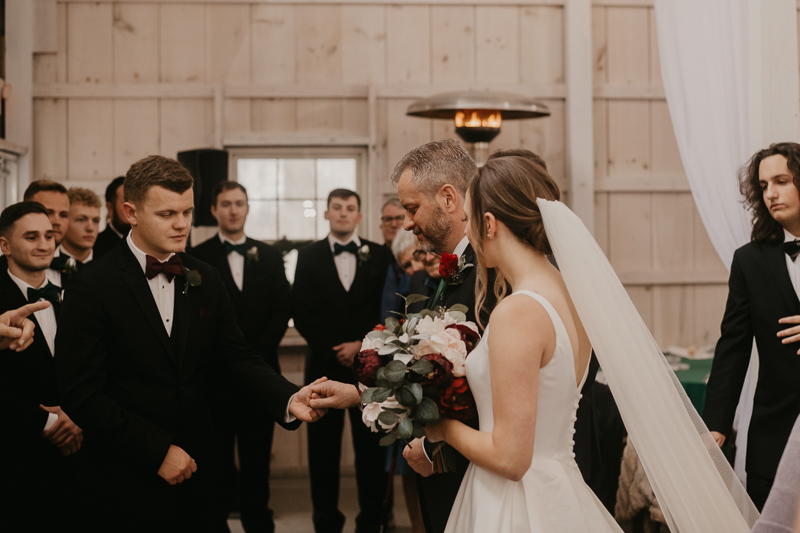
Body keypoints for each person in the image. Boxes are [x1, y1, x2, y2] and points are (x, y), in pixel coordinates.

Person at [310, 154, 758, 533]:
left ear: (487, 222)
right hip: (559, 486)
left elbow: (510, 457)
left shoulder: (518, 310)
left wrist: (440, 429)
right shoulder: (569, 291)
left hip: (515, 502)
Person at [55, 155, 327, 533]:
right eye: (167, 214)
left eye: (187, 211)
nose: (182, 223)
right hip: (124, 478)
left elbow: (236, 354)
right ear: (130, 212)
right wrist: (157, 451)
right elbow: (81, 393)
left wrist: (286, 396)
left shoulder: (204, 277)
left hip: (202, 473)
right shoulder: (91, 286)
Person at [189, 180, 291, 532]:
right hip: (213, 378)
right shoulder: (196, 256)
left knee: (257, 460)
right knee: (214, 461)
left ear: (247, 209)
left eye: (239, 203)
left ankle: (257, 522)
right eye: (226, 204)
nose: (233, 210)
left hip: (261, 376)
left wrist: (253, 356)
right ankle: (215, 524)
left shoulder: (271, 254)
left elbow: (282, 307)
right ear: (214, 210)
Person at [292, 188, 394, 533]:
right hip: (322, 366)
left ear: (360, 216)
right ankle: (325, 521)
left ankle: (371, 520)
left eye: (350, 208)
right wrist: (335, 348)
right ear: (326, 214)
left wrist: (360, 346)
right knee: (322, 452)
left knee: (370, 450)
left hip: (370, 368)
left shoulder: (380, 255)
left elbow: (388, 308)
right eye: (336, 208)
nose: (343, 214)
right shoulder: (308, 256)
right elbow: (301, 312)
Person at [705, 142, 800, 510]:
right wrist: (716, 423)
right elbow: (734, 344)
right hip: (773, 432)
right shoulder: (749, 261)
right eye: (763, 186)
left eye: (781, 181)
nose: (771, 194)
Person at [0, 201, 83, 531]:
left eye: (49, 236)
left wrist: (79, 415)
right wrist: (47, 422)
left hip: (81, 452)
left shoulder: (79, 292)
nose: (45, 244)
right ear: (4, 245)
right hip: (16, 459)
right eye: (32, 237)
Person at [94, 176, 129, 258]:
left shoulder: (147, 243)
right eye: (125, 203)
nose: (132, 208)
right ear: (110, 207)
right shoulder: (95, 245)